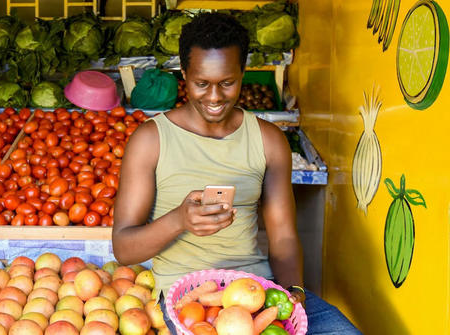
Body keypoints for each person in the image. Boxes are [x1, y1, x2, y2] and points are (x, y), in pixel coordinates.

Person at [111, 12, 360, 334]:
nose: (214, 98)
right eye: (201, 84)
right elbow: (124, 249)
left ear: (243, 73)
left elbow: (283, 235)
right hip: (190, 299)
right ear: (184, 74)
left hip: (258, 288)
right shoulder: (151, 140)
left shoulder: (268, 140)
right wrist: (179, 221)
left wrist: (294, 293)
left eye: (227, 83)